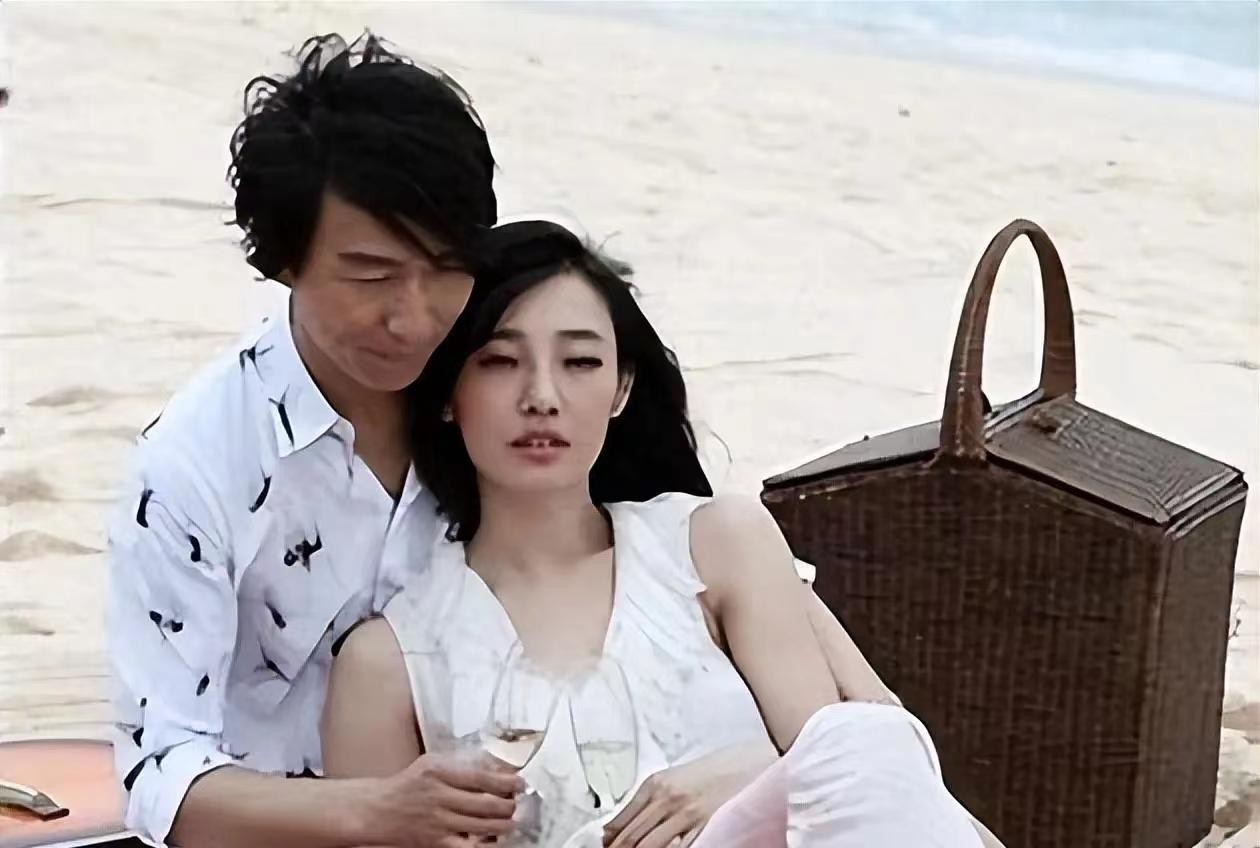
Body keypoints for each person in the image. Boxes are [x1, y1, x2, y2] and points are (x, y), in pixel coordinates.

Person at [321, 221, 997, 847]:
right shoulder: (390, 661)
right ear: (448, 392)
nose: (542, 397)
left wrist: (735, 774)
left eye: (580, 362)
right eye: (500, 362)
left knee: (867, 745)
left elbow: (837, 769)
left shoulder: (712, 545)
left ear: (621, 389)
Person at [105, 32, 525, 848]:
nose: (413, 318)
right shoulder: (194, 464)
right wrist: (377, 812)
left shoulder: (501, 384)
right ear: (284, 260)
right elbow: (160, 775)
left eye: (445, 267)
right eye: (371, 275)